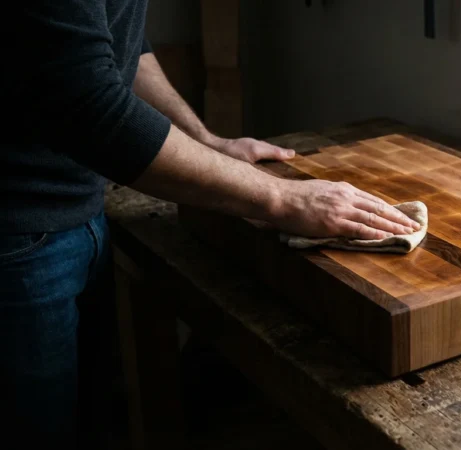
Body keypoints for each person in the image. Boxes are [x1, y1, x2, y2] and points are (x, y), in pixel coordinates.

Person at [0, 1, 420, 447]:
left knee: (90, 416)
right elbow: (90, 102)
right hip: (16, 235)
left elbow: (122, 45)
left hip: (80, 207)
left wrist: (208, 141)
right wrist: (283, 196)